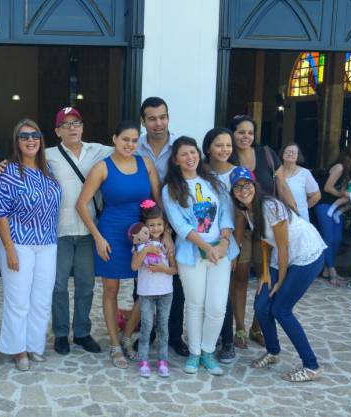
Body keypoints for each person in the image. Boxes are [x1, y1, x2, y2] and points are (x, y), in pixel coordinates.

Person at [230, 167, 327, 382]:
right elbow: (266, 243)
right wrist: (265, 273)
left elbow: (283, 246)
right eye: (237, 186)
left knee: (281, 309)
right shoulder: (247, 209)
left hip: (304, 253)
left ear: (255, 185)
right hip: (279, 256)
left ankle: (312, 366)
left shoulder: (270, 205)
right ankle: (273, 352)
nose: (242, 190)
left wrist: (280, 281)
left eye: (247, 185)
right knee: (261, 305)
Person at [76, 120, 161, 368]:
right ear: (114, 139)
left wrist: (160, 234)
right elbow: (82, 204)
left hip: (143, 234)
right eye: (125, 139)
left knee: (145, 291)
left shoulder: (145, 164)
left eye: (135, 140)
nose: (130, 144)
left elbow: (157, 200)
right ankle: (115, 345)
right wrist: (98, 237)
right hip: (111, 233)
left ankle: (126, 337)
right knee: (110, 290)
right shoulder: (102, 167)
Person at [162, 136, 237, 376]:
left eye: (193, 152)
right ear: (176, 160)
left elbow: (227, 214)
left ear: (199, 154)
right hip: (192, 253)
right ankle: (195, 352)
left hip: (220, 252)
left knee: (217, 306)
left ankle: (208, 351)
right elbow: (180, 225)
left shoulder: (213, 182)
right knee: (195, 304)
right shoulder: (170, 189)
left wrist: (224, 242)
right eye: (184, 154)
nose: (190, 157)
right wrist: (206, 247)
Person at [0, 119, 62, 371]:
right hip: (18, 242)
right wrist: (10, 249)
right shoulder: (8, 172)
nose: (30, 140)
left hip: (47, 243)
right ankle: (17, 349)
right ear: (17, 142)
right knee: (18, 299)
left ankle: (34, 345)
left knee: (42, 298)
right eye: (24, 136)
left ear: (41, 139)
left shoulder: (49, 171)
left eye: (34, 135)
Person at [45, 107, 111, 355]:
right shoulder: (47, 154)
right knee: (59, 285)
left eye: (76, 123)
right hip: (59, 231)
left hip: (89, 229)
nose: (72, 128)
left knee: (86, 285)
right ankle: (61, 333)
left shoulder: (100, 151)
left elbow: (129, 148)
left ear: (83, 127)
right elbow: (23, 162)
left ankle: (82, 332)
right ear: (57, 131)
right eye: (66, 124)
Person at [228, 114, 294, 349]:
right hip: (240, 226)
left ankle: (258, 327)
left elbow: (282, 185)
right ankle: (240, 328)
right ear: (232, 133)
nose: (245, 136)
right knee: (241, 276)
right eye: (240, 132)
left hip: (267, 228)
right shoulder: (228, 155)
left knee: (265, 276)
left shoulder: (266, 155)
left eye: (249, 132)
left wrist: (296, 213)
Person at [137, 97, 188, 358]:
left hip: (177, 223)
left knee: (173, 280)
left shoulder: (180, 146)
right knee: (145, 275)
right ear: (143, 121)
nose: (158, 123)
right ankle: (147, 331)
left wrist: (168, 231)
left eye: (163, 117)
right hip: (146, 223)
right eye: (152, 118)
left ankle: (174, 335)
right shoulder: (135, 146)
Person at [201, 128, 238, 364]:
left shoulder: (238, 174)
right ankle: (209, 339)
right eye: (219, 145)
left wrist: (236, 247)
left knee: (224, 295)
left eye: (228, 145)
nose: (224, 149)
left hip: (230, 241)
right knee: (206, 294)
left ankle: (228, 341)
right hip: (205, 241)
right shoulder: (201, 174)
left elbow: (242, 216)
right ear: (208, 148)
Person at [130, 202, 177, 378]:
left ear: (164, 225)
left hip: (166, 292)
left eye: (159, 224)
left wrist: (162, 269)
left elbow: (174, 270)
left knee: (163, 326)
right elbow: (134, 266)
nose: (155, 228)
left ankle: (162, 361)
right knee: (147, 325)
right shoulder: (139, 244)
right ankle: (143, 361)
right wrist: (146, 250)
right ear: (145, 226)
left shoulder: (168, 245)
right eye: (151, 225)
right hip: (146, 292)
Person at [314, 142, 351, 286]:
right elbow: (328, 187)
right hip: (325, 204)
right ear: (350, 157)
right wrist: (342, 195)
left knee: (337, 238)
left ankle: (326, 268)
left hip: (336, 207)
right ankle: (332, 270)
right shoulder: (339, 167)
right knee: (328, 238)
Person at [280, 142, 321, 223]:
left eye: (294, 152)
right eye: (288, 151)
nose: (290, 154)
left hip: (299, 218)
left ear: (298, 156)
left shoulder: (305, 173)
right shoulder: (276, 171)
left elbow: (316, 195)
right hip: (279, 217)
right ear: (282, 154)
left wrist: (303, 207)